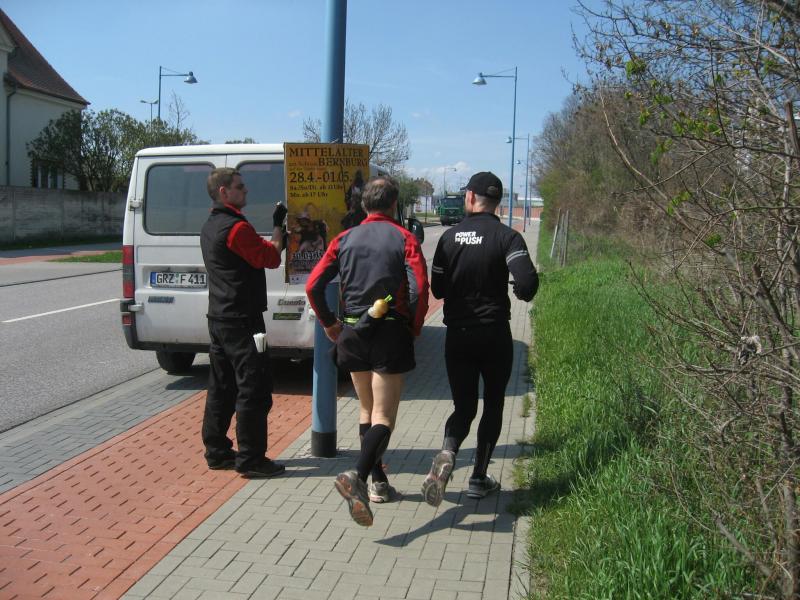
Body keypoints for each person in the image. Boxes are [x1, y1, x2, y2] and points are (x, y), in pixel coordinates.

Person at [306, 176, 429, 526]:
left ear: (363, 206)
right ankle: (357, 476)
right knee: (384, 417)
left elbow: (313, 285)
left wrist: (329, 323)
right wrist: (414, 326)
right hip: (389, 331)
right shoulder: (404, 237)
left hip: (353, 331)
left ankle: (378, 483)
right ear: (394, 204)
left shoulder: (343, 239)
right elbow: (420, 287)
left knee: (366, 409)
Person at [421, 171, 538, 505]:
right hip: (494, 334)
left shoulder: (448, 238)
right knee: (494, 403)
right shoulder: (508, 237)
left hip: (458, 336)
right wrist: (520, 290)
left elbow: (438, 289)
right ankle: (478, 478)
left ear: (470, 197)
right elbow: (527, 283)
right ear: (497, 202)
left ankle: (448, 452)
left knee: (464, 406)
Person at [200, 167, 288, 478]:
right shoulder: (236, 228)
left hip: (219, 317)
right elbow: (270, 257)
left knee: (221, 387)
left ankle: (217, 451)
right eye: (240, 186)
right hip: (242, 320)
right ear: (224, 192)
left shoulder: (210, 225)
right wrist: (278, 228)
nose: (246, 190)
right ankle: (252, 459)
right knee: (254, 388)